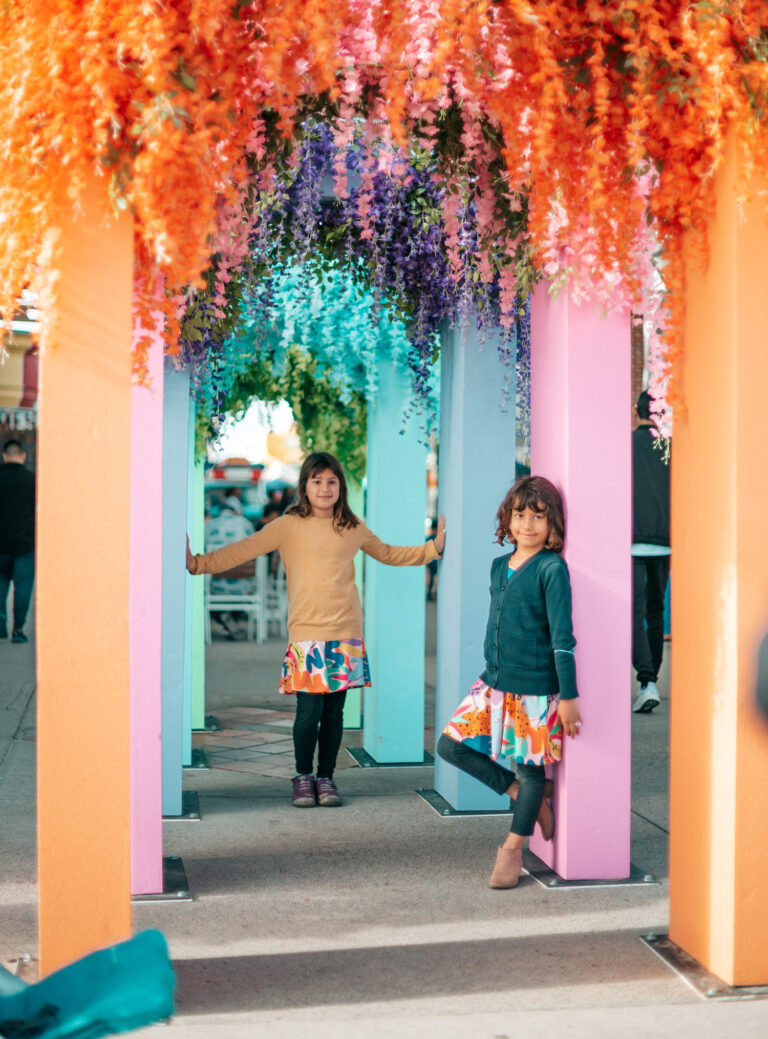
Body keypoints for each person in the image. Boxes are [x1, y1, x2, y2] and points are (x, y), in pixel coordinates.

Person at [187, 451, 445, 807]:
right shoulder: (287, 525)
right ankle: (303, 776)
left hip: (345, 631)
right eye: (317, 481)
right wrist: (198, 563)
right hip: (307, 634)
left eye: (331, 482)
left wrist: (433, 548)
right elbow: (244, 550)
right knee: (308, 714)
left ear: (340, 487)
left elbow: (388, 553)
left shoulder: (352, 527)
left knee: (334, 714)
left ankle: (326, 778)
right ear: (304, 486)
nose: (325, 488)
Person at [437, 475, 581, 890]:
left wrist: (568, 696)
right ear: (508, 518)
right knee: (450, 746)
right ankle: (521, 792)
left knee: (533, 769)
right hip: (493, 682)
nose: (528, 525)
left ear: (552, 523)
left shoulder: (552, 569)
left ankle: (513, 848)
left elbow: (562, 638)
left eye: (538, 516)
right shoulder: (499, 566)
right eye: (520, 515)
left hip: (536, 689)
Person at [631, 390, 671, 713]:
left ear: (637, 410)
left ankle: (647, 681)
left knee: (637, 611)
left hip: (633, 540)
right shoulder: (670, 447)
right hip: (664, 540)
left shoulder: (627, 445)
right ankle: (651, 681)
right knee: (656, 611)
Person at [0, 439, 36, 643]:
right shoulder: (32, 481)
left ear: (4, 456)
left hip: (0, 544)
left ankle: (1, 619)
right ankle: (18, 629)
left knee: (0, 582)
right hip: (25, 545)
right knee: (23, 587)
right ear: (23, 456)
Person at [425, 518, 439, 601]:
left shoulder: (437, 538)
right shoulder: (430, 539)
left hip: (437, 563)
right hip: (431, 563)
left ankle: (434, 594)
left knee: (437, 581)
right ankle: (429, 595)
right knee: (430, 581)